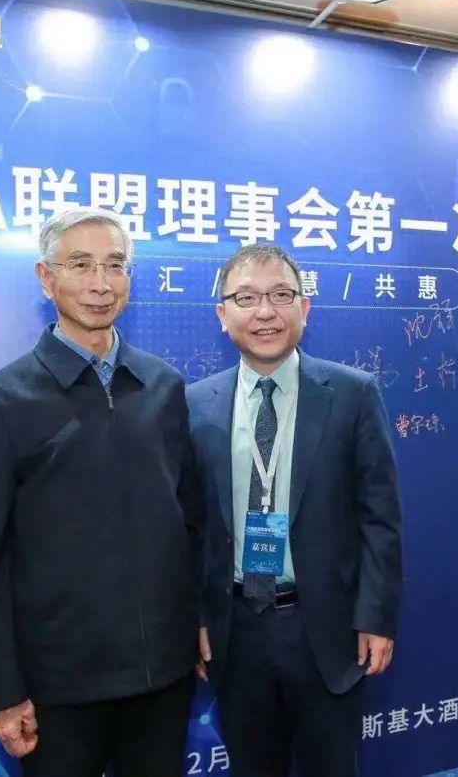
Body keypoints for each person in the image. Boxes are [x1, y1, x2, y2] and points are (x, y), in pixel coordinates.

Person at [0, 207, 202, 775]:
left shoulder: (164, 387)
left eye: (115, 265)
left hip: (163, 677)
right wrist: (3, 691)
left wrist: (198, 627)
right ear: (46, 279)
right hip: (59, 689)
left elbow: (191, 526)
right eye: (81, 265)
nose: (100, 283)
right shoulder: (1, 402)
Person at [186, 243, 404, 777]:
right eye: (247, 298)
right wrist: (195, 619)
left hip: (324, 628)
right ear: (223, 315)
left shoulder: (352, 394)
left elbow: (380, 518)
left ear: (304, 308)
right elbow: (189, 527)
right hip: (236, 630)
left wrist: (375, 616)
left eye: (281, 295)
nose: (265, 312)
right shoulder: (194, 404)